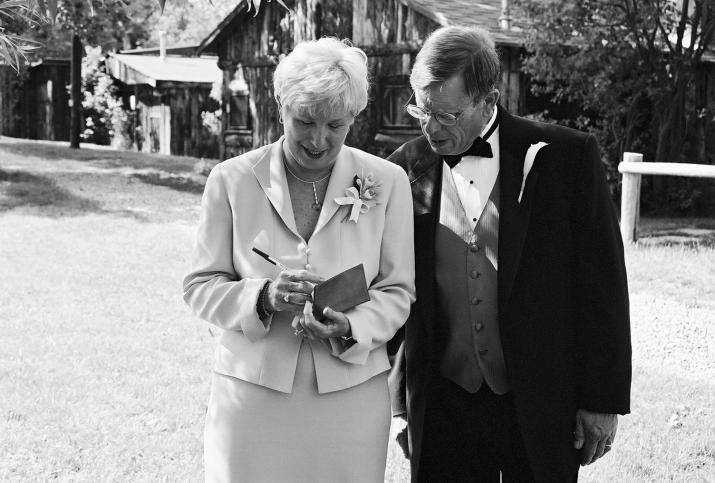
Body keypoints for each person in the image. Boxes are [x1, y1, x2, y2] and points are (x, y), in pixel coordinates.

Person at [388, 26, 632, 482]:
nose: (431, 127)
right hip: (444, 402)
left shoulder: (566, 158)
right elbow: (399, 290)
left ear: (489, 99)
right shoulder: (404, 167)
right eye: (421, 109)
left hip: (539, 400)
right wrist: (402, 400)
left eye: (448, 114)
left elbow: (602, 286)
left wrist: (602, 399)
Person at [183, 37, 415, 482]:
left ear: (354, 117)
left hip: (351, 396)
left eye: (336, 124)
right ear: (279, 105)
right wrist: (264, 296)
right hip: (252, 396)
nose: (318, 139)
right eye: (304, 121)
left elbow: (398, 290)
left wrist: (351, 326)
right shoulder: (230, 180)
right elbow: (200, 287)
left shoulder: (387, 182)